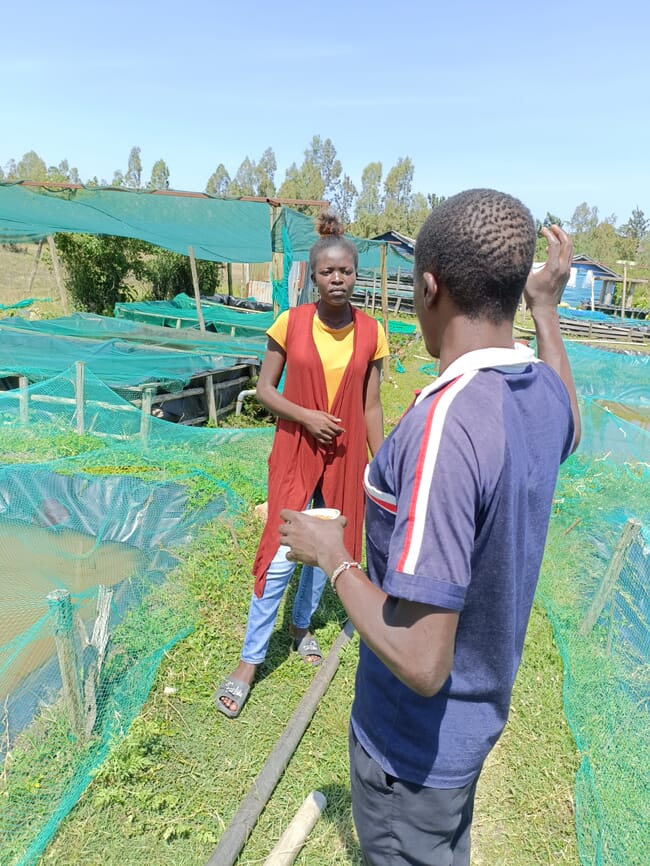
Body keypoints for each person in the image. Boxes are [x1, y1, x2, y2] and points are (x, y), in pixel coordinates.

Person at [278, 189, 580, 865]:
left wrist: (335, 557)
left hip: (409, 751)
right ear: (511, 290)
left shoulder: (448, 424)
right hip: (470, 730)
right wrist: (548, 313)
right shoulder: (538, 392)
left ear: (429, 286)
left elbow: (421, 659)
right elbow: (573, 423)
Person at [215, 209, 389, 719]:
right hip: (296, 449)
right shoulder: (289, 323)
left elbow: (372, 405)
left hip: (346, 454)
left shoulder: (373, 331)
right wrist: (307, 417)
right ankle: (250, 660)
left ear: (356, 275)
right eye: (327, 273)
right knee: (279, 549)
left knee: (328, 546)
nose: (337, 280)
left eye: (346, 272)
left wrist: (386, 466)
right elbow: (265, 390)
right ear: (312, 277)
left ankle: (301, 628)